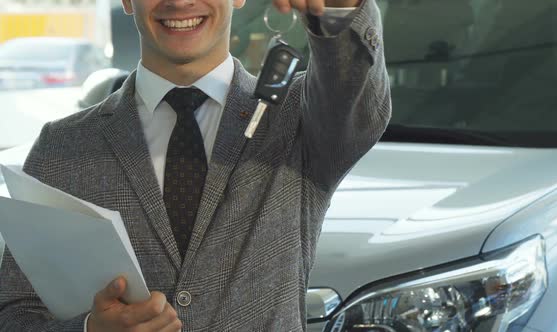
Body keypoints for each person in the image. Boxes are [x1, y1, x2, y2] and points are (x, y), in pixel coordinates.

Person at [0, 0, 391, 330]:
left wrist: (341, 10)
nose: (179, 1)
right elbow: (14, 313)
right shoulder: (63, 147)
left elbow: (354, 95)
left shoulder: (297, 121)